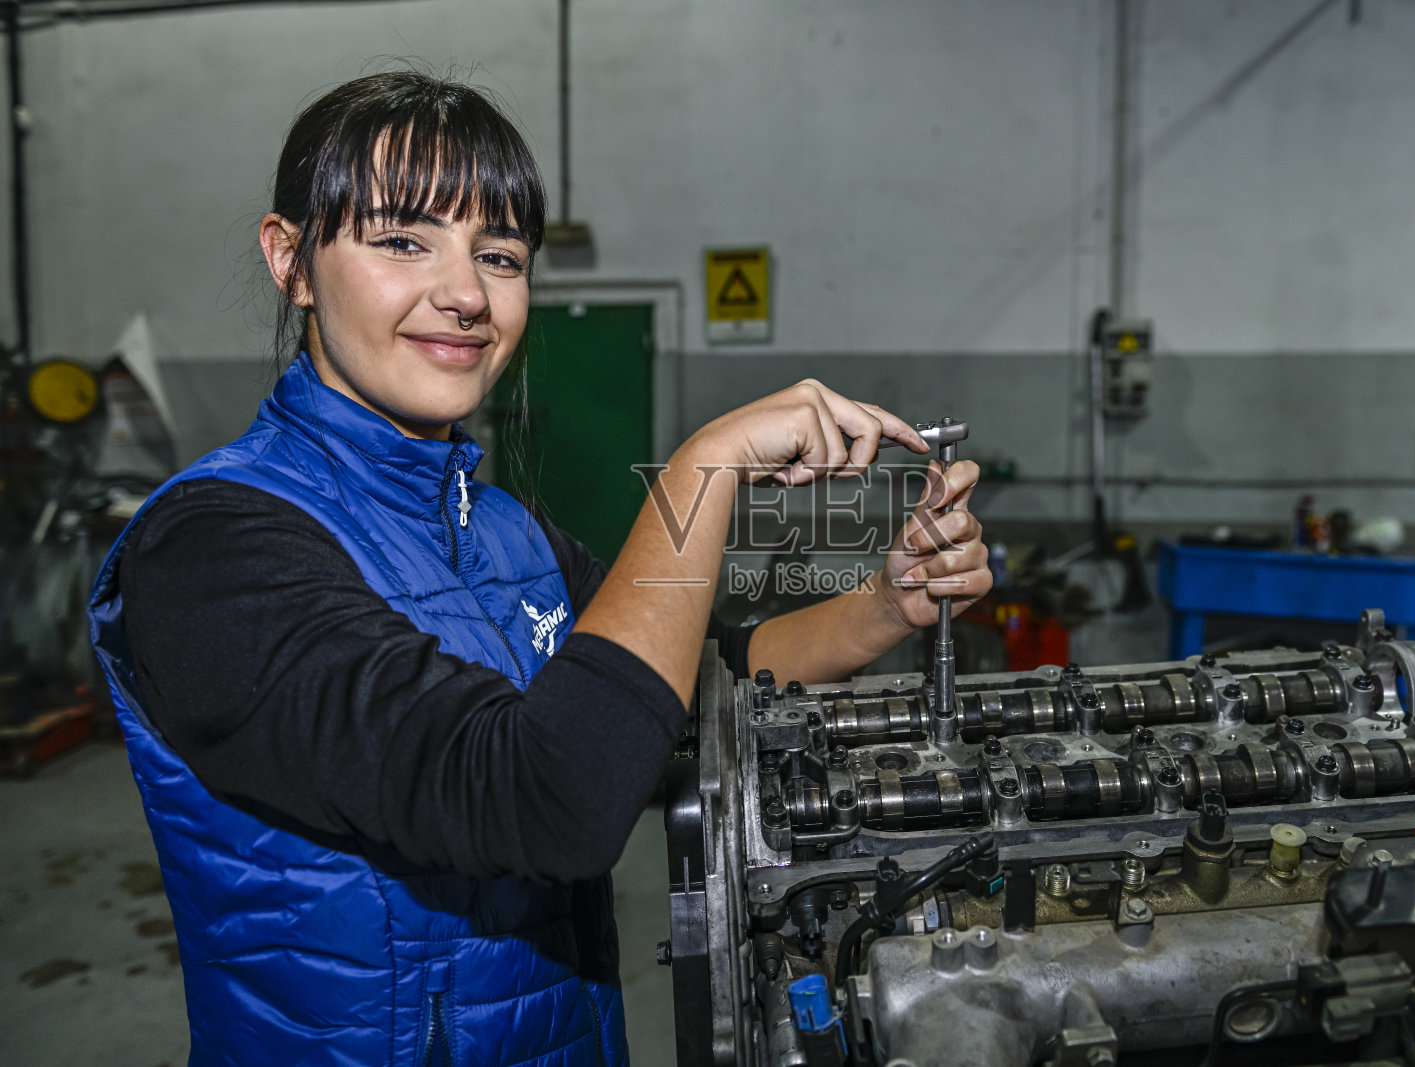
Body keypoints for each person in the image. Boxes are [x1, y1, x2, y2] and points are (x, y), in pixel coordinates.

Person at [87, 71, 991, 1066]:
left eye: (499, 254)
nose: (465, 293)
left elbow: (677, 696)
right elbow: (543, 798)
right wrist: (702, 472)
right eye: (401, 240)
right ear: (291, 259)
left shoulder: (505, 528)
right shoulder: (213, 550)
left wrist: (887, 599)